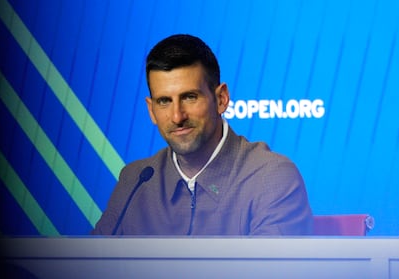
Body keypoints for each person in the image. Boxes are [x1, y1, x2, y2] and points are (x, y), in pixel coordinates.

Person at [92, 34, 312, 236]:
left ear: (221, 99)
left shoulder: (271, 178)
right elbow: (89, 266)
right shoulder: (135, 181)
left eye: (189, 97)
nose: (177, 116)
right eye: (164, 101)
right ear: (151, 110)